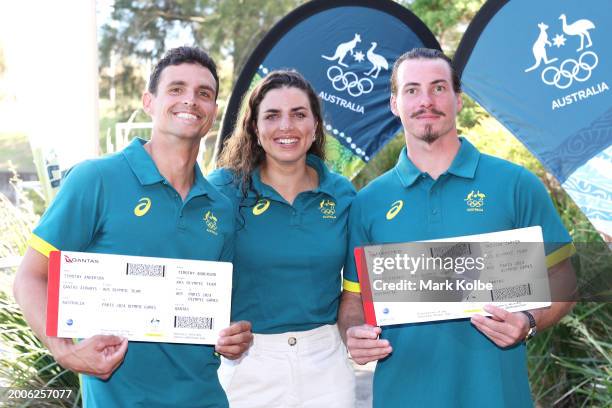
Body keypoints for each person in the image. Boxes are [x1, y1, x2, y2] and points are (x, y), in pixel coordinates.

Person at [13, 46, 253, 408]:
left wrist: (234, 336)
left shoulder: (219, 207)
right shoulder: (96, 179)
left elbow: (221, 312)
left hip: (204, 398)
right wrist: (65, 352)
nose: (190, 100)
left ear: (213, 113)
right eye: (176, 89)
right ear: (149, 102)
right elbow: (29, 277)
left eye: (204, 93)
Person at [338, 48, 576, 407]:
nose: (426, 101)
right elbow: (354, 298)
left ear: (458, 100)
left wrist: (528, 320)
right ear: (394, 103)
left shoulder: (515, 184)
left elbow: (565, 275)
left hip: (497, 397)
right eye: (412, 90)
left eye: (438, 88)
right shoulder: (368, 202)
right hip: (402, 396)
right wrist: (353, 332)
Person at [209, 70, 356, 408]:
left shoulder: (342, 194)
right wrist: (213, 329)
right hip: (246, 362)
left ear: (315, 126)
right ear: (255, 128)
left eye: (299, 114)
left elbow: (355, 292)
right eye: (272, 115)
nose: (286, 126)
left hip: (327, 364)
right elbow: (191, 266)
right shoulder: (223, 191)